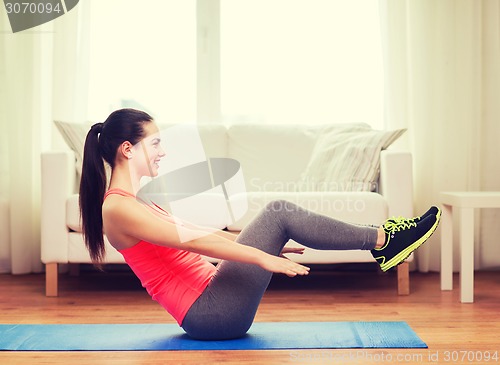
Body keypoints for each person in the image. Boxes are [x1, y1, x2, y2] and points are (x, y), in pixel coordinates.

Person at [79, 108, 440, 341]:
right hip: (211, 313)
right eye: (155, 143)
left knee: (276, 215)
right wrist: (261, 257)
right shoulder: (117, 209)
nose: (163, 151)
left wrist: (262, 244)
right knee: (278, 211)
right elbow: (193, 243)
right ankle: (384, 241)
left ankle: (384, 241)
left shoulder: (139, 201)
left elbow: (202, 233)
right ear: (128, 149)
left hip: (213, 297)